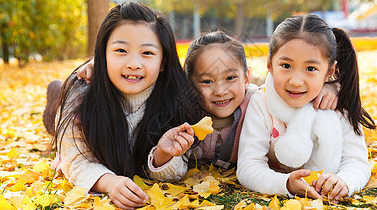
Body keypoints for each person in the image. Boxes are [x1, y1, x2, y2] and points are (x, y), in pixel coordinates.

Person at [52, 1, 202, 210]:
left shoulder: (177, 99)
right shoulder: (81, 98)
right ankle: (55, 100)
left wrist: (162, 154)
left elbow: (178, 170)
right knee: (56, 123)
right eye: (121, 50)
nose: (134, 63)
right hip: (73, 116)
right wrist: (109, 182)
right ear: (102, 55)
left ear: (163, 62)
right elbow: (75, 161)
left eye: (147, 53)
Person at [144, 31, 339, 181]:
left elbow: (294, 96)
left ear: (246, 78)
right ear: (190, 85)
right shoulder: (186, 118)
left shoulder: (261, 102)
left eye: (230, 78)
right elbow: (172, 173)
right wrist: (164, 154)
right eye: (206, 81)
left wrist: (330, 87)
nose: (220, 90)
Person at [237, 14, 376, 202]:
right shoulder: (262, 102)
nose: (295, 81)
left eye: (310, 69)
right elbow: (248, 166)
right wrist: (285, 183)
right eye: (286, 65)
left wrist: (344, 181)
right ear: (270, 65)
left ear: (329, 72)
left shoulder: (336, 104)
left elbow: (357, 161)